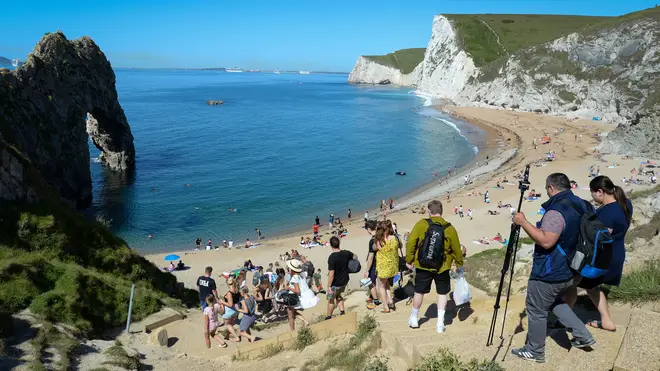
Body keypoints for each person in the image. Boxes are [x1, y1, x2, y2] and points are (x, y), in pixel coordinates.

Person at [511, 173, 595, 363]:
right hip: (576, 267)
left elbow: (547, 241)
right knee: (553, 301)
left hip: (552, 271)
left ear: (551, 188)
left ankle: (535, 350)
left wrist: (523, 222)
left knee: (536, 308)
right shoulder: (581, 203)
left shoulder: (556, 211)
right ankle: (582, 335)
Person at [564, 175, 632, 332]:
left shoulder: (607, 214)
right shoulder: (625, 203)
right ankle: (606, 321)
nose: (593, 197)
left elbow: (599, 239)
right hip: (617, 252)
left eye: (593, 193)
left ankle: (565, 319)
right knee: (591, 286)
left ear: (600, 192)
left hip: (603, 258)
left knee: (573, 283)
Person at [406, 200, 463, 334]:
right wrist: (459, 264)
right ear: (441, 212)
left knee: (419, 292)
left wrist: (409, 259)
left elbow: (411, 242)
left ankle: (414, 318)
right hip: (442, 267)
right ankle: (439, 323)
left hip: (422, 265)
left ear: (429, 211)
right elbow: (456, 250)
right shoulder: (449, 228)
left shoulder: (421, 224)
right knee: (442, 293)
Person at [326, 236, 357, 320]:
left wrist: (329, 286)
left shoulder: (332, 257)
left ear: (331, 245)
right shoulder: (346, 253)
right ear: (339, 243)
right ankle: (342, 312)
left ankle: (328, 317)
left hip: (335, 283)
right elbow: (355, 257)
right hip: (345, 281)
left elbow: (331, 274)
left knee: (330, 300)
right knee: (338, 295)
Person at [373, 220, 400, 313]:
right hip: (392, 266)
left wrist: (376, 237)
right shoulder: (394, 238)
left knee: (381, 286)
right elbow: (400, 246)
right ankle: (390, 300)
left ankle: (385, 307)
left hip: (383, 266)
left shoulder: (379, 240)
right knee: (387, 283)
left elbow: (375, 248)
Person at [284, 259, 311, 331]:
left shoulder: (294, 278)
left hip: (292, 297)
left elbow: (297, 290)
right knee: (293, 312)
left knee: (290, 316)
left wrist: (288, 287)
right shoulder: (299, 276)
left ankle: (292, 331)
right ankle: (305, 321)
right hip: (295, 297)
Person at [363, 220, 380, 310]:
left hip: (374, 264)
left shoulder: (372, 241)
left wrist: (367, 270)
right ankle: (374, 296)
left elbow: (370, 257)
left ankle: (376, 300)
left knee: (370, 282)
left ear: (369, 229)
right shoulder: (380, 237)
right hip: (381, 262)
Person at [219, 277, 241, 342]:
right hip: (236, 310)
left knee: (227, 325)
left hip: (230, 310)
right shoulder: (237, 289)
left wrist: (222, 302)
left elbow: (230, 304)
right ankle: (231, 334)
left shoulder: (229, 293)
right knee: (231, 323)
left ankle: (236, 337)